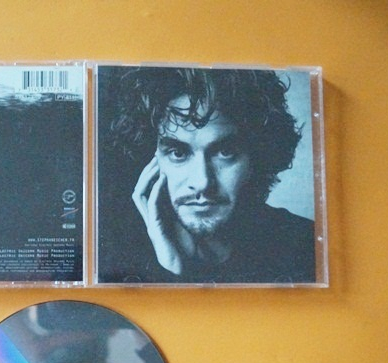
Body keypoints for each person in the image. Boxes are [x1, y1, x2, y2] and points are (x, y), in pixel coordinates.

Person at [98, 66, 316, 284]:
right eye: (178, 153)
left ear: (257, 157)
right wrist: (170, 266)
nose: (202, 182)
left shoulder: (305, 245)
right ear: (151, 162)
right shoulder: (112, 256)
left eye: (225, 152)